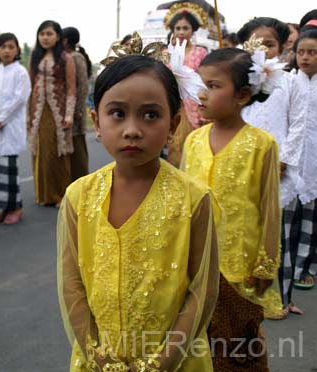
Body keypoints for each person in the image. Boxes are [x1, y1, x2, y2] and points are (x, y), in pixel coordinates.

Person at [57, 54, 219, 372]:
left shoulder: (195, 200)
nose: (132, 130)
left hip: (176, 362)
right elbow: (71, 283)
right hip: (98, 361)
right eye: (117, 113)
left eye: (150, 115)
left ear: (173, 124)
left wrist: (164, 361)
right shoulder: (79, 196)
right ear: (96, 120)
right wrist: (97, 355)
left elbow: (203, 289)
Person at [181, 47, 282, 371]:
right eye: (201, 85)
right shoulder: (193, 141)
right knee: (197, 346)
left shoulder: (261, 144)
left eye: (213, 86)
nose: (202, 93)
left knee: (240, 347)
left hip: (239, 266)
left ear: (242, 95)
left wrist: (266, 264)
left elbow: (269, 209)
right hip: (196, 266)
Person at [237, 18, 304, 318]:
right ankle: (248, 295)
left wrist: (284, 160)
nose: (263, 49)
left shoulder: (291, 82)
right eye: (256, 43)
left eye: (270, 44)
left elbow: (298, 125)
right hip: (243, 169)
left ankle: (283, 297)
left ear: (282, 47)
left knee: (279, 236)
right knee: (248, 233)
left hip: (279, 170)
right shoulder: (241, 82)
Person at [29, 20, 76, 207]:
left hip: (59, 112)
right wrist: (29, 114)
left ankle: (61, 194)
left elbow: (71, 88)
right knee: (41, 150)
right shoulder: (34, 56)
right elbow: (30, 87)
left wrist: (69, 115)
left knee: (59, 152)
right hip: (38, 112)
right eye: (42, 34)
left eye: (49, 34)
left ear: (57, 37)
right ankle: (44, 194)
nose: (45, 38)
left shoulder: (65, 58)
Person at [0, 33, 31, 224]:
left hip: (9, 127)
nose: (6, 51)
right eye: (3, 47)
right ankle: (5, 208)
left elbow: (19, 99)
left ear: (17, 50)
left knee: (8, 170)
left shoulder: (20, 72)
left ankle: (17, 207)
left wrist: (1, 120)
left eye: (11, 47)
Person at [163, 2, 208, 167]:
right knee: (175, 145)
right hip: (174, 103)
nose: (181, 32)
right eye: (178, 28)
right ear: (173, 30)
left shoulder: (200, 53)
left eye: (185, 28)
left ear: (193, 30)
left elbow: (204, 82)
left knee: (195, 145)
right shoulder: (166, 54)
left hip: (195, 104)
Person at [291, 27, 317, 290]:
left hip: (315, 163)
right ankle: (284, 269)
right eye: (301, 52)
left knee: (312, 218)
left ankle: (303, 268)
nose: (305, 57)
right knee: (290, 218)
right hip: (292, 159)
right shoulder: (288, 83)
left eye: (312, 52)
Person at [62, 27, 90, 181]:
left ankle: (81, 182)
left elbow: (83, 86)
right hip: (68, 110)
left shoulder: (76, 57)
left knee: (77, 148)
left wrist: (77, 109)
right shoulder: (67, 57)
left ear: (65, 40)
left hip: (76, 112)